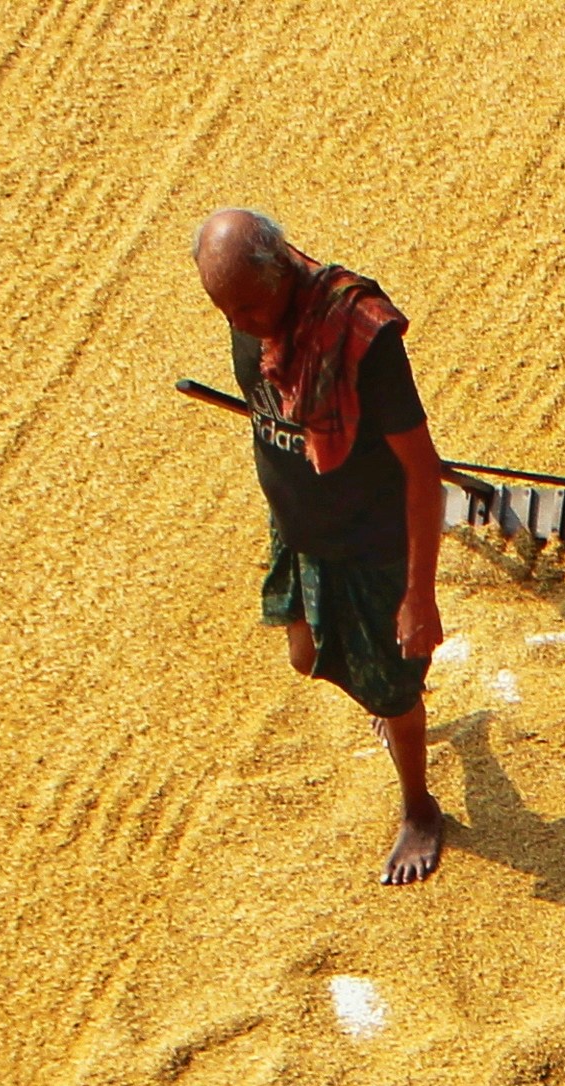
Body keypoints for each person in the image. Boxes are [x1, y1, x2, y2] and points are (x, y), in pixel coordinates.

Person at [197, 206, 450, 885]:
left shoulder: (361, 338)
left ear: (279, 271)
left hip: (368, 543)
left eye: (249, 306)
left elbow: (423, 473)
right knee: (307, 657)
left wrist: (417, 594)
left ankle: (420, 809)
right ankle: (390, 699)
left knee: (395, 695)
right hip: (302, 526)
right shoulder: (253, 314)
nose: (243, 322)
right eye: (225, 311)